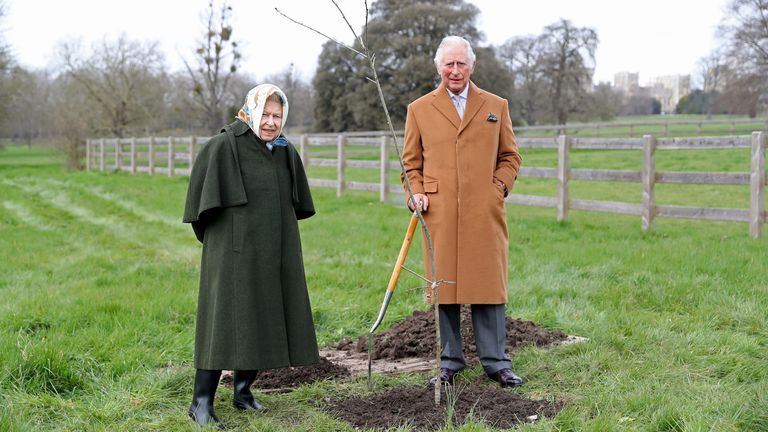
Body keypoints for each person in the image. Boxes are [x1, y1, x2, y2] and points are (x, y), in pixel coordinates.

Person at [182, 84, 319, 427]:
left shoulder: (284, 151)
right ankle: (201, 403)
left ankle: (243, 392)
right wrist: (225, 244)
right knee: (223, 320)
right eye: (266, 114)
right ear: (252, 110)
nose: (272, 122)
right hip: (232, 251)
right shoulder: (222, 146)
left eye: (278, 116)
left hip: (274, 248)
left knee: (262, 314)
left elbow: (297, 202)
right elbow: (201, 210)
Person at [401, 36, 524, 388]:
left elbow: (510, 157)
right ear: (439, 67)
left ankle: (496, 362)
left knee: (487, 284)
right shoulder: (419, 109)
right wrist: (418, 194)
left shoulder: (495, 106)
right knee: (445, 286)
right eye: (449, 64)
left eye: (461, 64)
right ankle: (449, 361)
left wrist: (497, 188)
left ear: (472, 66)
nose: (455, 71)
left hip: (483, 211)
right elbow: (410, 165)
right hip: (438, 213)